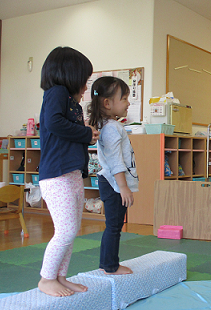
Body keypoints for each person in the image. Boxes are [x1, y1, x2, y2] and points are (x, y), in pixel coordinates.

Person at [38, 46, 99, 297]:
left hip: (72, 173)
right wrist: (85, 133)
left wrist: (87, 133)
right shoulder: (56, 93)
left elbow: (66, 132)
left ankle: (60, 277)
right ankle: (46, 278)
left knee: (72, 230)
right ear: (69, 75)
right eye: (84, 81)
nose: (85, 87)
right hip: (56, 175)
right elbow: (53, 123)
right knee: (65, 230)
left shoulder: (72, 103)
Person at [87, 76, 139, 275]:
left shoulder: (110, 126)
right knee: (114, 226)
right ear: (107, 103)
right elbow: (116, 161)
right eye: (124, 98)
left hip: (111, 182)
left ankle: (108, 263)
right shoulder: (112, 129)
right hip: (113, 183)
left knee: (114, 225)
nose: (128, 103)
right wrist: (123, 187)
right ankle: (110, 266)